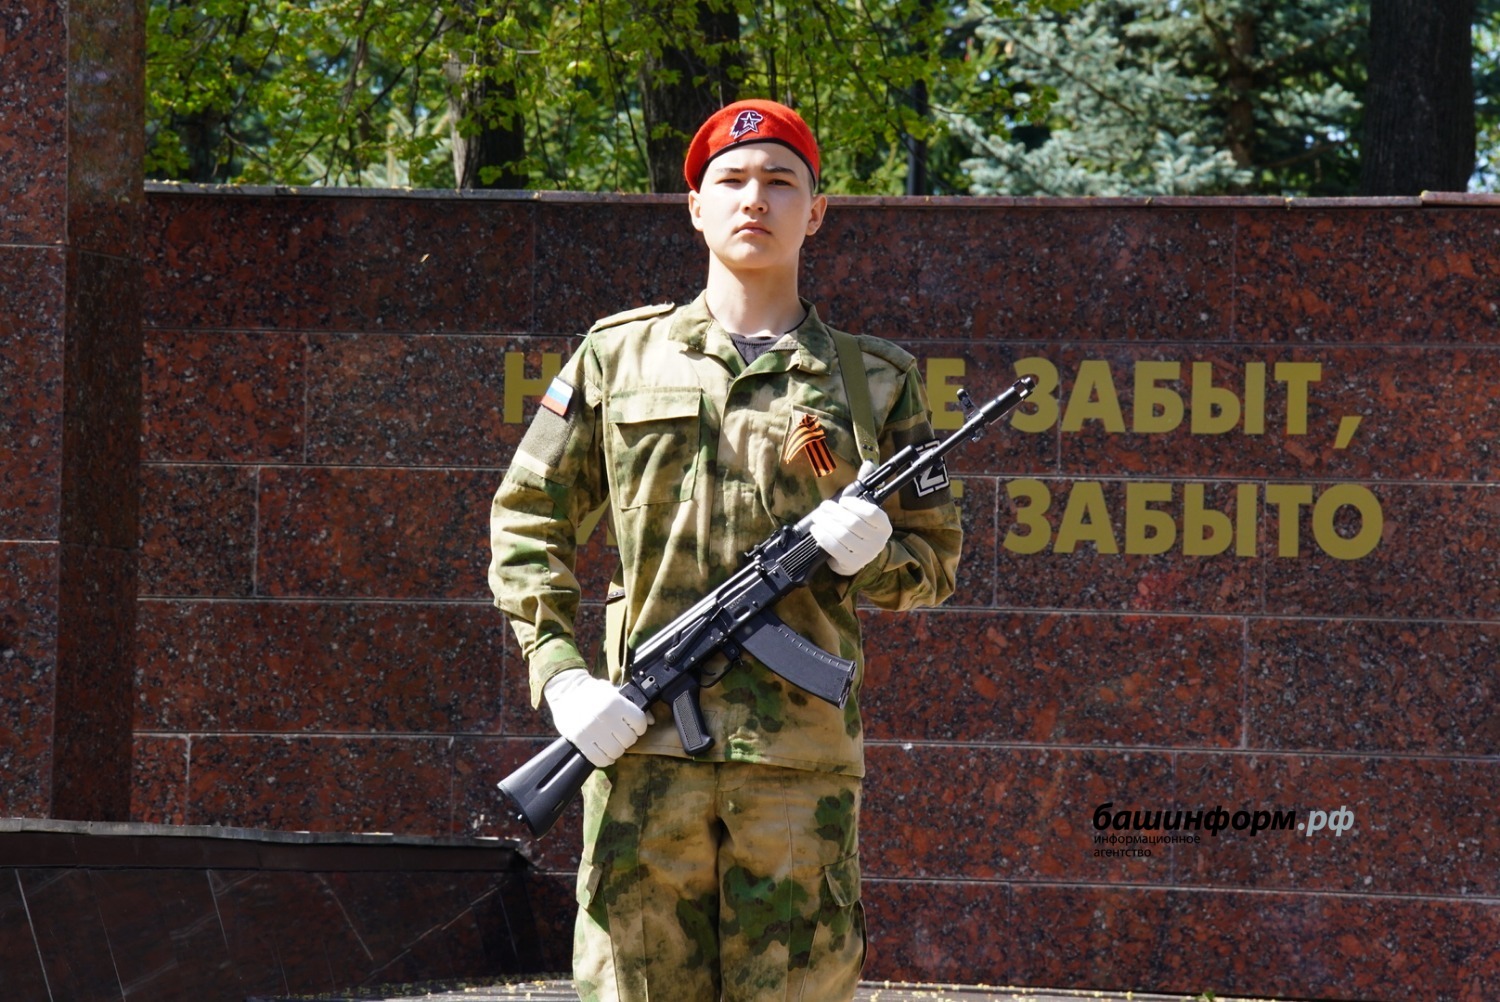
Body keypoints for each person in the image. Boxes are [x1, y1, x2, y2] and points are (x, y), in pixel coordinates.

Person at [488, 98, 962, 1002]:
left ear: (815, 212)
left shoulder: (873, 382)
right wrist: (560, 676)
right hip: (640, 752)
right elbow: (527, 521)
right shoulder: (617, 358)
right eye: (732, 180)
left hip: (798, 773)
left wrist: (874, 555)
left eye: (781, 181)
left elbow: (935, 565)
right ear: (695, 207)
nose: (755, 198)